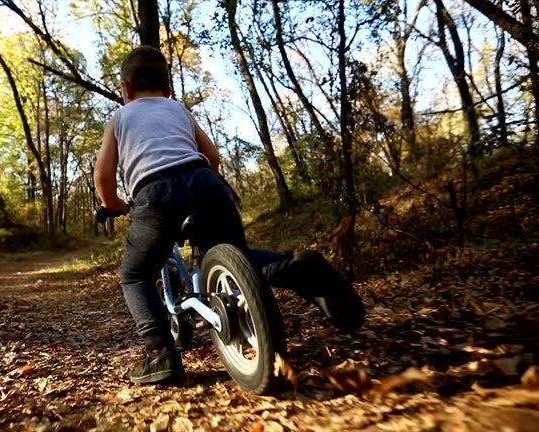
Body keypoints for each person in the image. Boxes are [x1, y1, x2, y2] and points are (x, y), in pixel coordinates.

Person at [94, 46, 364, 385]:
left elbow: (103, 177)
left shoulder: (121, 117)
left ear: (126, 89)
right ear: (168, 88)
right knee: (239, 256)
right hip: (207, 185)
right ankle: (299, 268)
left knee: (135, 275)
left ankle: (159, 353)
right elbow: (213, 156)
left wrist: (112, 204)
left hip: (154, 197)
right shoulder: (179, 110)